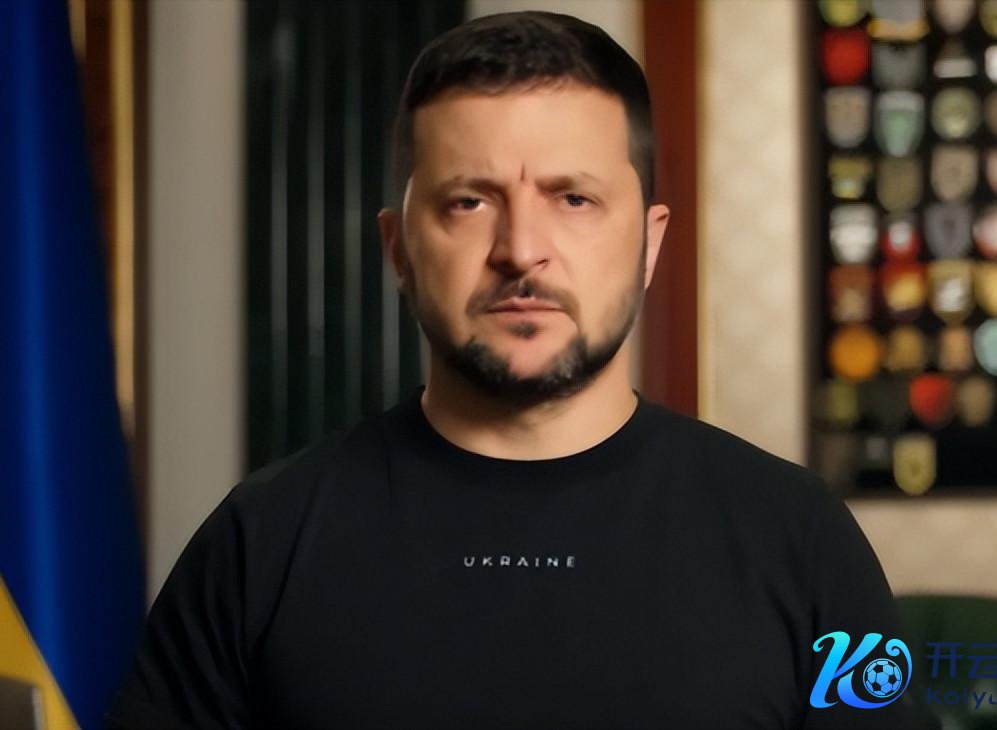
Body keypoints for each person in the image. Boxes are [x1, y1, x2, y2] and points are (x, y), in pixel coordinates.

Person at [107, 11, 932, 730]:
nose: (520, 249)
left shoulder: (797, 537)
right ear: (399, 249)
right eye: (469, 201)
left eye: (573, 198)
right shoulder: (259, 542)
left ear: (648, 245)